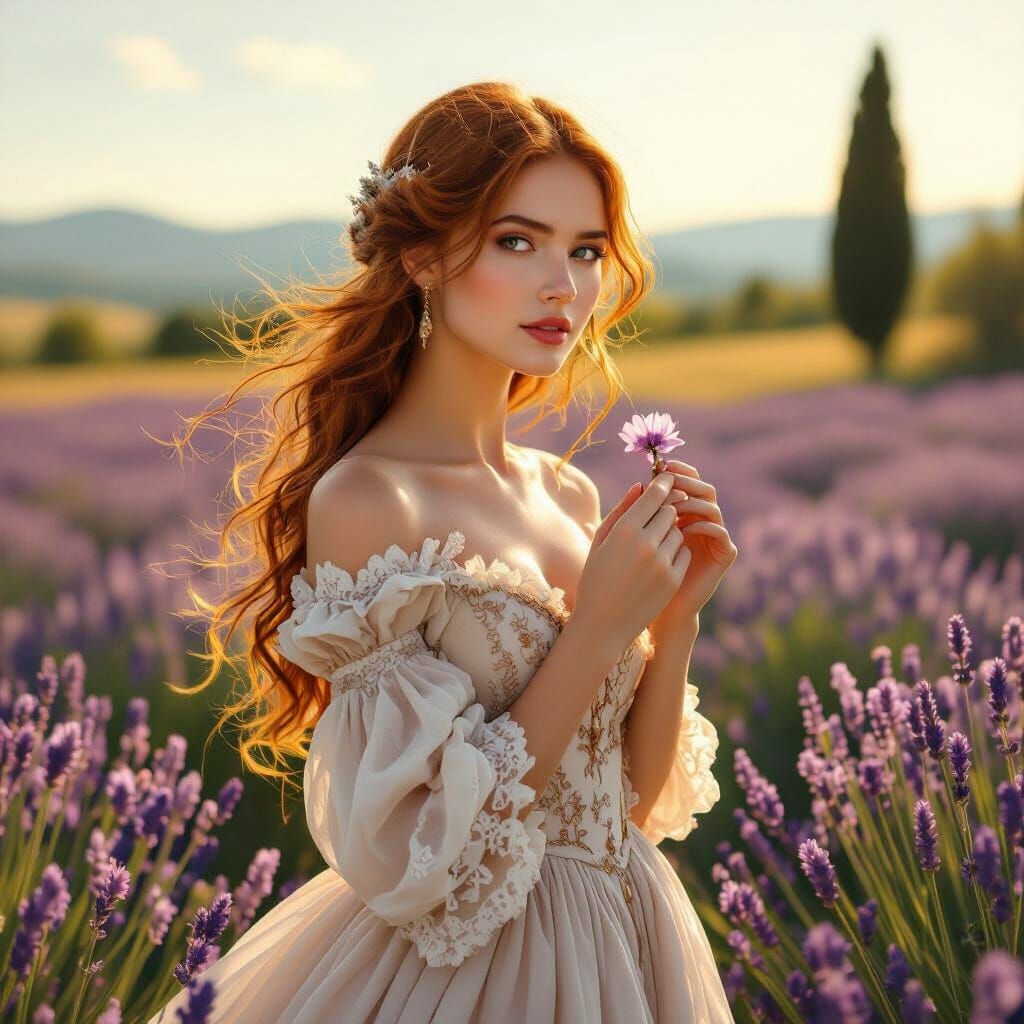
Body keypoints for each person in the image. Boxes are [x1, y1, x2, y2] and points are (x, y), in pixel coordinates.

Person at [150, 80, 737, 1023]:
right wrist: (596, 629)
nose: (563, 285)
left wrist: (675, 622)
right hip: (467, 975)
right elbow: (430, 852)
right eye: (519, 241)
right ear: (422, 255)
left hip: (628, 947)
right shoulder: (371, 500)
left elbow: (626, 805)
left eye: (585, 252)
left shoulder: (569, 492)